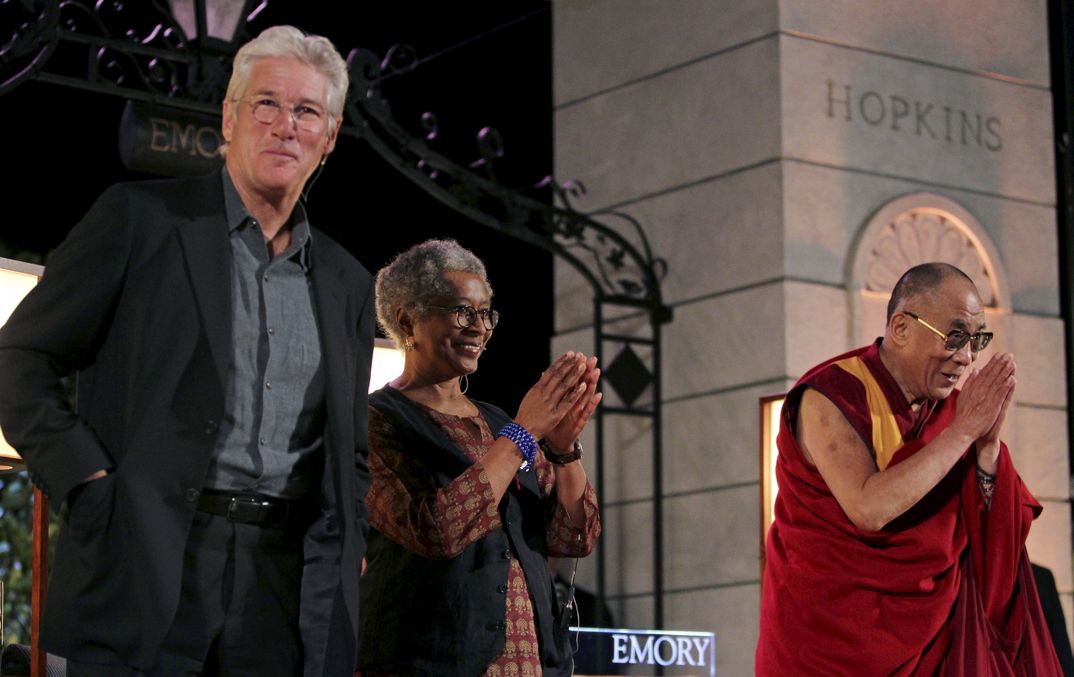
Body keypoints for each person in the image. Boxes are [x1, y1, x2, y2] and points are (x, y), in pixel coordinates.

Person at [0, 26, 374, 676]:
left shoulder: (348, 283)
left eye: (306, 111)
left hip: (284, 590)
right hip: (145, 560)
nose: (285, 125)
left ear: (330, 137)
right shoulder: (138, 220)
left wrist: (351, 543)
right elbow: (19, 357)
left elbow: (354, 450)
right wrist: (89, 485)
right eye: (266, 103)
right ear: (229, 118)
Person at [756, 262, 1062, 675]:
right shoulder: (831, 397)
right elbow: (868, 508)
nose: (967, 357)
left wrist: (987, 449)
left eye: (977, 340)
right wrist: (964, 432)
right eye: (955, 337)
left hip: (933, 645)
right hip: (825, 646)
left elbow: (996, 544)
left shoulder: (953, 414)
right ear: (900, 328)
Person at [357, 239, 602, 676]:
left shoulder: (497, 424)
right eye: (461, 311)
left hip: (530, 665)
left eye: (485, 312)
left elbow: (574, 540)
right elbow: (436, 530)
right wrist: (524, 434)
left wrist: (564, 451)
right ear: (408, 321)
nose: (479, 327)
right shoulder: (375, 422)